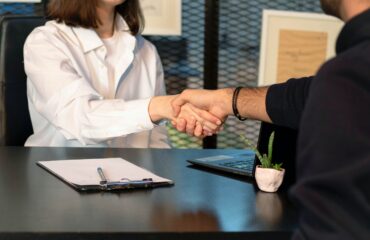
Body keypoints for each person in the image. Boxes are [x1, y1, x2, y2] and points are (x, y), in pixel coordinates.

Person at [172, 0, 370, 238]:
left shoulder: (349, 74)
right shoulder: (350, 73)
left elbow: (332, 227)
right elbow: (305, 96)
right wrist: (226, 100)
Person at [24, 0, 220, 148]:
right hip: (59, 182)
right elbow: (79, 119)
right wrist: (158, 106)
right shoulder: (45, 42)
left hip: (134, 184)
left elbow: (157, 139)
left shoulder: (146, 50)